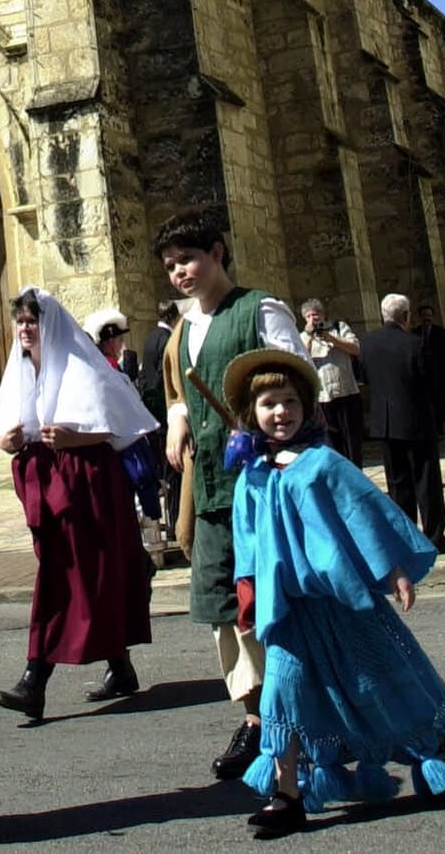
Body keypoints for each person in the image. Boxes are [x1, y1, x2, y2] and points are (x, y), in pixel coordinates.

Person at [226, 349, 445, 837]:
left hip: (342, 603)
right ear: (251, 413)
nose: (280, 412)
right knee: (282, 697)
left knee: (382, 681)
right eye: (268, 404)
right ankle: (286, 793)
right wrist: (248, 591)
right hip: (288, 612)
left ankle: (435, 750)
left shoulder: (324, 463)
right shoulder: (252, 476)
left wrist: (392, 571)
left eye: (289, 401)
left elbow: (363, 513)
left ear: (307, 407)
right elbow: (246, 542)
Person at [155, 205, 305, 782]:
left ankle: (300, 716)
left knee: (278, 604)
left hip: (264, 487)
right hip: (213, 491)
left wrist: (271, 432)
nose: (180, 273)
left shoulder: (259, 310)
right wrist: (176, 417)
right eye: (171, 266)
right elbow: (175, 389)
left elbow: (295, 385)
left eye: (188, 259)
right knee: (226, 611)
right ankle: (256, 719)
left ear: (218, 253)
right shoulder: (184, 328)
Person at [0, 288, 156, 719]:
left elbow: (112, 427)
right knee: (80, 577)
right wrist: (10, 440)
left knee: (66, 578)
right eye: (20, 321)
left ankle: (34, 679)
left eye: (31, 321)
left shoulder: (80, 364)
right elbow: (18, 428)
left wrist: (71, 437)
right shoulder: (22, 369)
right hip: (46, 483)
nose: (25, 329)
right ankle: (120, 666)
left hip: (87, 483)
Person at [357, 294, 445, 550]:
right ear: (406, 316)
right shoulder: (415, 343)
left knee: (397, 483)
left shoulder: (367, 343)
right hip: (416, 420)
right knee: (426, 481)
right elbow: (431, 380)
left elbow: (364, 376)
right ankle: (434, 537)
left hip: (384, 423)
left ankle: (406, 537)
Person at [298, 297, 363, 467]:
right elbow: (300, 360)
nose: (314, 319)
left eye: (317, 314)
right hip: (323, 398)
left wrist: (331, 339)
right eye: (310, 316)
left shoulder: (339, 328)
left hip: (346, 393)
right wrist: (311, 338)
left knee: (352, 442)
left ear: (323, 315)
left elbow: (356, 348)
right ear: (305, 319)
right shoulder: (302, 337)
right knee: (332, 443)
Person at [413, 304, 445, 437]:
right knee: (429, 404)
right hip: (423, 375)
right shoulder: (415, 333)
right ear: (420, 317)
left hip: (439, 374)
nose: (427, 318)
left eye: (429, 315)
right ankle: (436, 429)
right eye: (424, 315)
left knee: (439, 403)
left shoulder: (441, 332)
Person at [136, 300, 181, 424]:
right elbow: (163, 372)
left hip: (150, 400)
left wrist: (147, 392)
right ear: (174, 318)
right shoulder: (167, 339)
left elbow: (144, 370)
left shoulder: (149, 338)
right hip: (162, 402)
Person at [82, 306, 139, 381]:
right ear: (111, 342)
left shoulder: (103, 363)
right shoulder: (107, 367)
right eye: (121, 340)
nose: (123, 345)